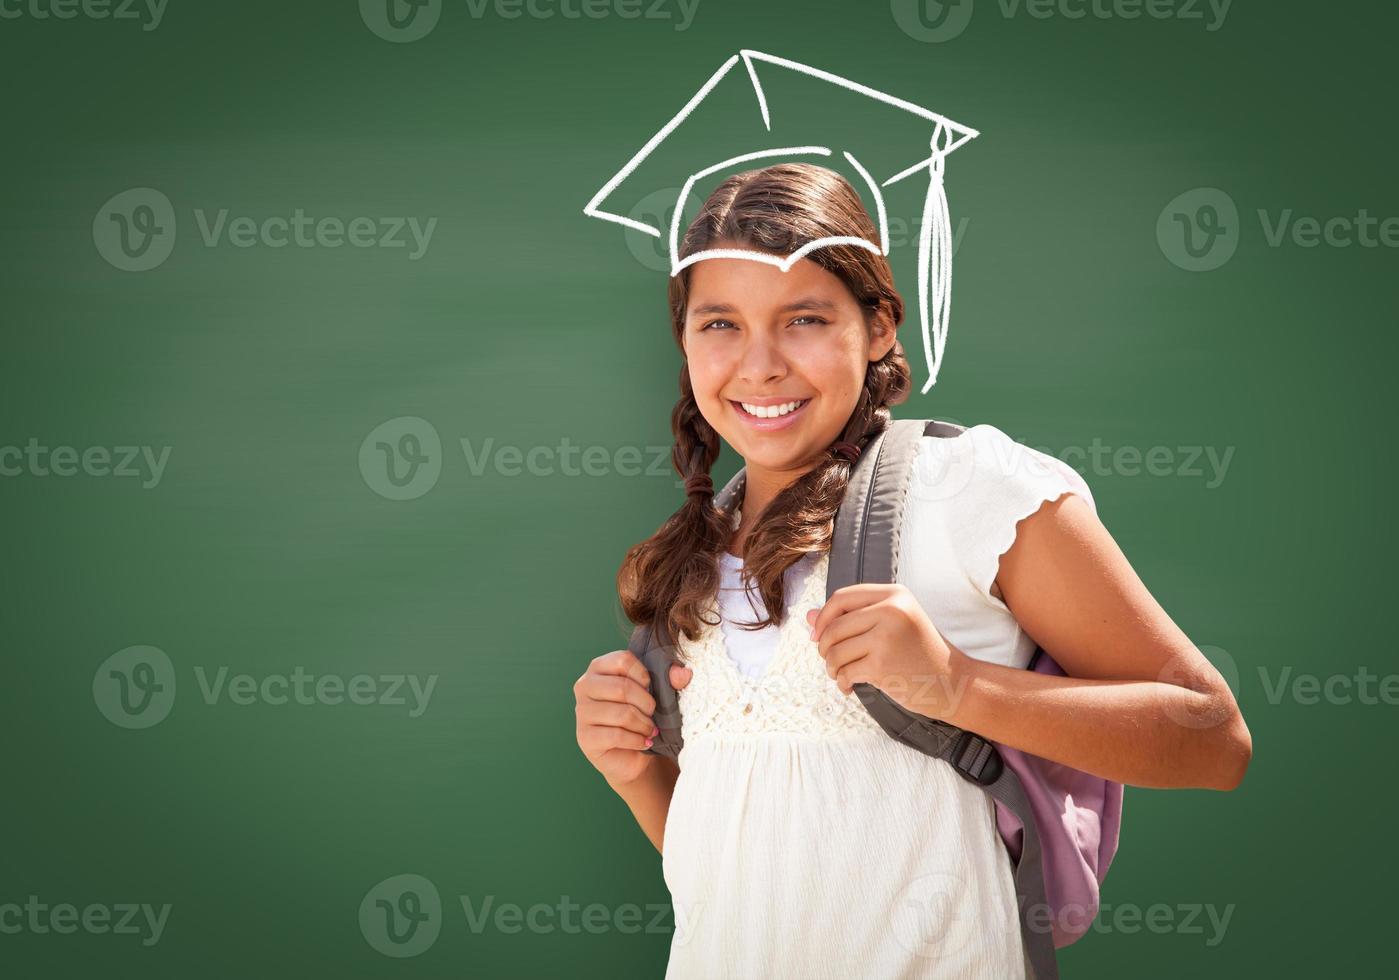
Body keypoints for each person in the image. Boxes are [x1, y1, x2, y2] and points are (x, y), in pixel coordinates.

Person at [572, 162, 1251, 979]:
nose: (758, 366)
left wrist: (957, 685)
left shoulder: (967, 487)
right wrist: (636, 774)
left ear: (881, 325)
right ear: (684, 339)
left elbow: (1214, 740)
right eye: (720, 324)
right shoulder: (693, 554)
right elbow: (738, 865)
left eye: (805, 319)